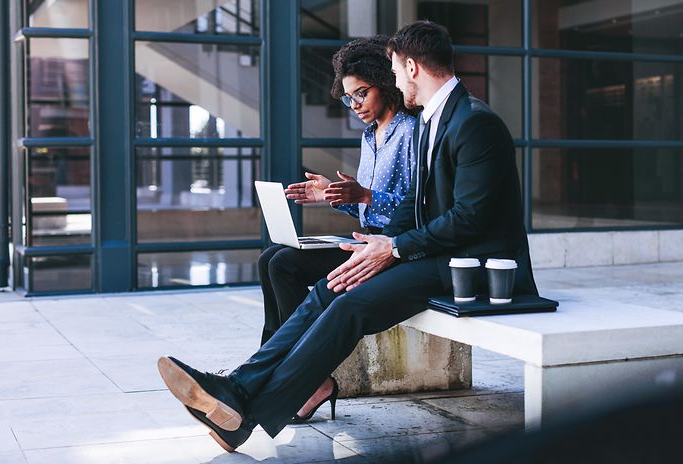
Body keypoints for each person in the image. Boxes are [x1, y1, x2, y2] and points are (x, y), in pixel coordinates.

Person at [156, 20, 538, 453]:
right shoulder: (439, 119)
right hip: (433, 251)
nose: (391, 80)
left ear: (410, 67)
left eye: (392, 71)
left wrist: (392, 246)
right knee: (327, 288)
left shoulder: (471, 122)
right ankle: (239, 391)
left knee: (348, 303)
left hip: (472, 266)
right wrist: (368, 232)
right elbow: (427, 210)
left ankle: (244, 412)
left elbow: (469, 219)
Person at [258, 35, 415, 346]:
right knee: (269, 258)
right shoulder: (369, 136)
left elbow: (418, 208)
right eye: (348, 98)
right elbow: (363, 200)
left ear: (385, 83)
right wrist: (332, 194)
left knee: (283, 264)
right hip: (364, 238)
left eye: (361, 94)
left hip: (392, 249)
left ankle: (290, 355)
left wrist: (364, 195)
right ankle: (269, 351)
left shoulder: (410, 133)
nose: (354, 105)